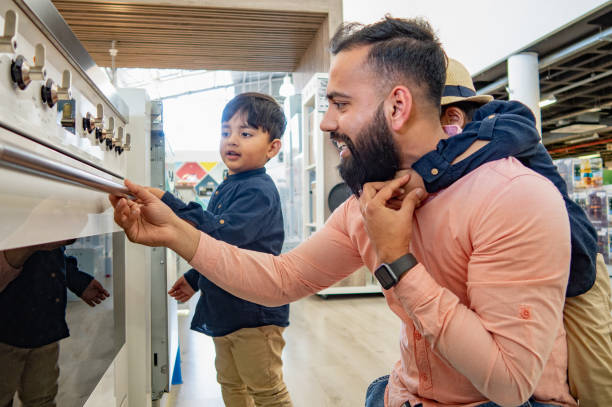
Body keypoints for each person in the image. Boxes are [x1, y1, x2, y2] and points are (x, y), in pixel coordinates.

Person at [110, 17, 576, 407]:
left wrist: (398, 261)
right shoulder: (366, 204)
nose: (326, 121)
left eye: (340, 103)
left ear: (397, 106)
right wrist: (175, 233)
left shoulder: (515, 198)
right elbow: (281, 280)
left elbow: (510, 383)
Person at [403, 57, 612, 407]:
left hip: (577, 275)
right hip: (518, 280)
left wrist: (424, 172)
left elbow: (513, 131)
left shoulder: (506, 124)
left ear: (452, 118)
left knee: (595, 381)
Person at [149, 92, 293, 407]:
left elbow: (223, 236)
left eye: (246, 133)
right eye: (226, 131)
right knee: (231, 382)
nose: (232, 140)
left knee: (266, 390)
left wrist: (169, 204)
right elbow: (218, 251)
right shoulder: (230, 185)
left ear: (272, 147)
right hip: (226, 309)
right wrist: (194, 278)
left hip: (255, 313)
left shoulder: (258, 191)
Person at [0, 240, 109, 407]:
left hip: (46, 331)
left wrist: (79, 281)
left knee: (42, 398)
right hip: (8, 333)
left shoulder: (48, 226)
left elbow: (54, 257)